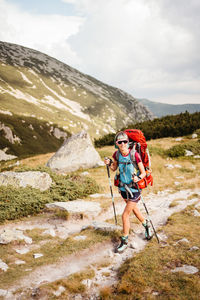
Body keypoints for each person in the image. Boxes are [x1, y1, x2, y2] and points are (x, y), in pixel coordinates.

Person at [104, 131, 152, 253]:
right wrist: (109, 163)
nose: (123, 144)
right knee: (134, 210)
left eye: (125, 141)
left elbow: (143, 172)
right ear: (117, 143)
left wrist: (138, 178)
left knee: (125, 215)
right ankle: (146, 225)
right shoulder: (116, 154)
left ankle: (124, 240)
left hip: (135, 189)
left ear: (128, 142)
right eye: (120, 142)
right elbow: (114, 168)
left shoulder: (134, 155)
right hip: (123, 189)